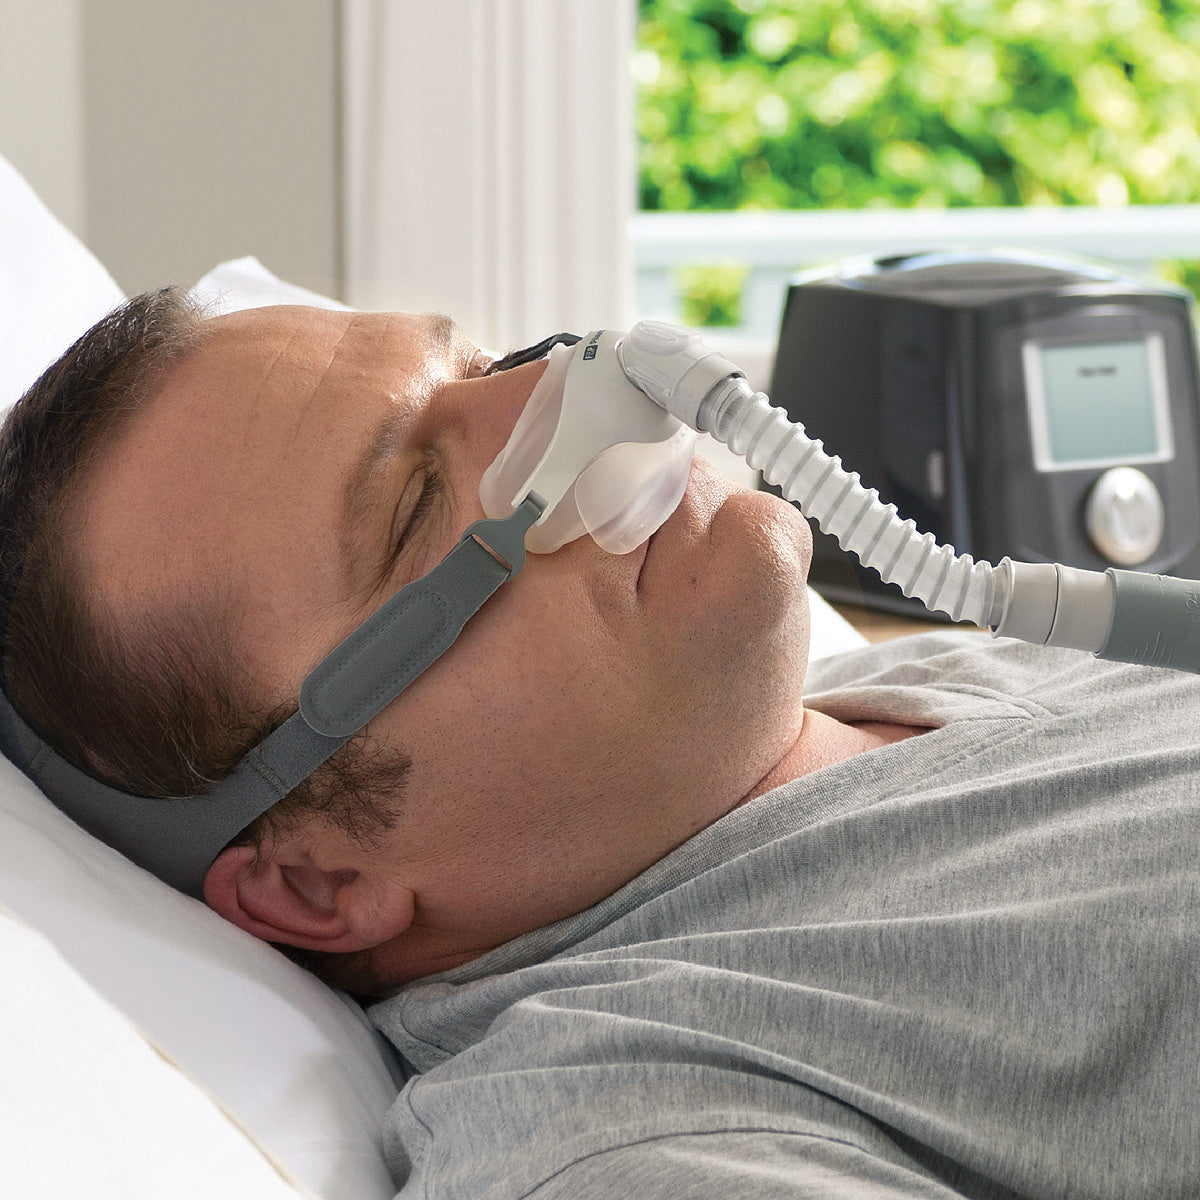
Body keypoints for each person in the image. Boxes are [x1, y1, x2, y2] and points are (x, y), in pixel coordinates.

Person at [0, 289, 1197, 1198]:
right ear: (321, 882)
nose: (567, 389)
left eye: (480, 370)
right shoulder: (619, 1118)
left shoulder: (928, 669)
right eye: (416, 505)